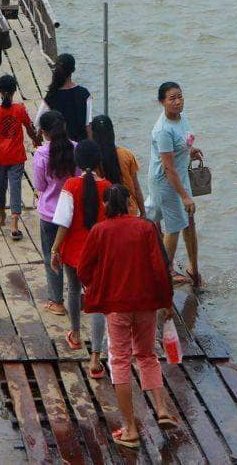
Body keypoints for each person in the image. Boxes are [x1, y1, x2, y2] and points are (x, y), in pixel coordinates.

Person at [78, 185, 177, 448]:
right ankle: (162, 409)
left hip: (117, 306)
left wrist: (98, 284)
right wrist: (166, 301)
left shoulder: (100, 231)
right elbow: (160, 267)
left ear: (106, 205)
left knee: (120, 360)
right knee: (147, 355)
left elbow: (83, 269)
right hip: (146, 304)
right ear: (130, 203)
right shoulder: (146, 228)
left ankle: (130, 429)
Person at [50, 140, 111, 377]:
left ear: (77, 161)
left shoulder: (71, 185)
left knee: (73, 290)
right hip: (99, 253)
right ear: (98, 161)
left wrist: (55, 249)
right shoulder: (107, 187)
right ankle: (95, 357)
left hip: (73, 251)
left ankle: (75, 335)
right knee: (96, 301)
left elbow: (63, 222)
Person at [148, 82, 201, 287]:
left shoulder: (182, 117)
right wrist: (184, 196)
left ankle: (193, 268)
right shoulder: (163, 130)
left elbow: (183, 140)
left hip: (181, 176)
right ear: (162, 102)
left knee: (189, 220)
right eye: (172, 98)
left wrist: (191, 150)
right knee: (175, 226)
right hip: (166, 181)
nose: (178, 101)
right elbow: (168, 168)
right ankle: (164, 273)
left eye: (180, 96)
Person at [0, 74, 40, 239]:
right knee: (15, 188)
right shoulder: (20, 109)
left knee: (0, 188)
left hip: (0, 158)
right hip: (17, 158)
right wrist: (37, 141)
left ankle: (1, 215)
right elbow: (30, 129)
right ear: (15, 91)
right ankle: (14, 223)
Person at [32, 111, 75, 316]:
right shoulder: (75, 149)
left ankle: (56, 301)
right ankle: (78, 294)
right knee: (73, 256)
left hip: (50, 214)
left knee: (52, 255)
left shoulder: (41, 154)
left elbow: (40, 185)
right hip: (72, 212)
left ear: (43, 132)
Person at [91, 114, 145, 218]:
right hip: (129, 210)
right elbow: (136, 187)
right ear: (112, 132)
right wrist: (143, 212)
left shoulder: (93, 160)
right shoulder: (126, 155)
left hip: (105, 213)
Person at [34, 53, 92, 141]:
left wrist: (38, 135)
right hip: (81, 145)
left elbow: (39, 121)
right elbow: (88, 125)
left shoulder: (52, 95)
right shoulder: (85, 94)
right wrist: (91, 146)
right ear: (73, 70)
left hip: (60, 145)